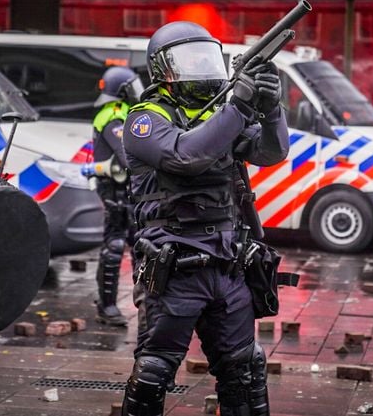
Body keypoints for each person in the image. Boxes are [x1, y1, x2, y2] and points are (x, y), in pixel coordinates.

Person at [121, 21, 289, 416]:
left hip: (229, 267)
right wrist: (239, 107)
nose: (200, 68)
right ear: (161, 69)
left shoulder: (222, 112)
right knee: (153, 372)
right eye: (188, 60)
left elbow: (271, 151)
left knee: (245, 372)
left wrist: (271, 108)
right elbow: (186, 156)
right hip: (175, 270)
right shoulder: (145, 118)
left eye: (205, 58)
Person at [91, 66, 144, 326]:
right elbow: (127, 155)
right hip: (115, 189)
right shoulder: (112, 115)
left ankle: (146, 304)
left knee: (140, 245)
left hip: (128, 189)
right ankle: (107, 305)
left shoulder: (126, 113)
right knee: (114, 246)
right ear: (122, 91)